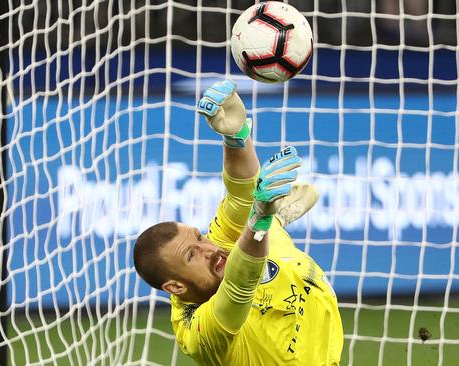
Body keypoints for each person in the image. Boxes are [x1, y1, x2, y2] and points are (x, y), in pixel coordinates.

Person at [133, 80, 343, 365]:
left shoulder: (215, 245)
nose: (207, 247)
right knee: (253, 235)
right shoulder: (199, 329)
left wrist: (237, 138)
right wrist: (260, 218)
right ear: (176, 287)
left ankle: (275, 220)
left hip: (299, 295)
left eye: (199, 237)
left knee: (251, 215)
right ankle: (272, 220)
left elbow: (241, 193)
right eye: (191, 255)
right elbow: (238, 286)